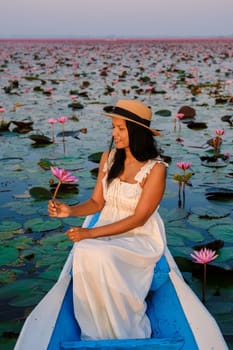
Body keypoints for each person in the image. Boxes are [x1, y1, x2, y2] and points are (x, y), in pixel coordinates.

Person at [48, 99, 168, 340]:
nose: (115, 134)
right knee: (84, 251)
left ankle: (124, 327)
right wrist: (69, 211)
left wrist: (89, 233)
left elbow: (139, 218)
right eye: (113, 128)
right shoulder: (109, 158)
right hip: (107, 228)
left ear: (137, 132)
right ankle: (95, 329)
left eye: (120, 129)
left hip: (139, 237)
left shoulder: (156, 169)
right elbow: (97, 203)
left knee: (98, 252)